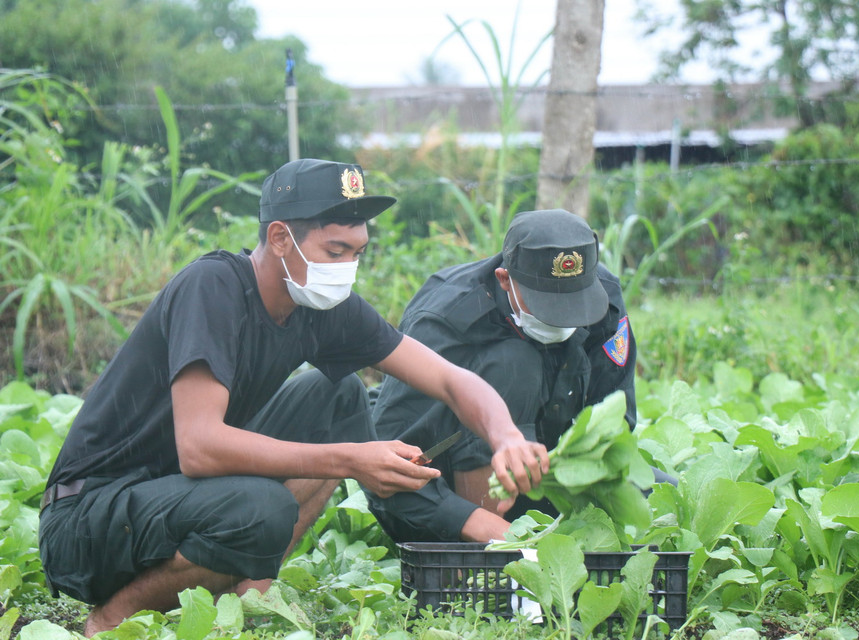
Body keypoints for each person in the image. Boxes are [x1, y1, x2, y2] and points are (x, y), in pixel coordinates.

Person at [38, 159, 547, 637]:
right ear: (280, 238)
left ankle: (247, 594)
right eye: (334, 251)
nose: (347, 267)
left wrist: (505, 437)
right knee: (262, 508)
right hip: (89, 519)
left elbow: (450, 380)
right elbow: (198, 445)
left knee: (340, 394)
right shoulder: (212, 287)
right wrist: (351, 460)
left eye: (357, 252)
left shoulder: (322, 305)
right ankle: (111, 621)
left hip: (173, 498)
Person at [367, 208, 674, 544]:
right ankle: (473, 559)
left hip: (547, 481)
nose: (563, 321)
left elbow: (615, 420)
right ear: (504, 279)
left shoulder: (605, 299)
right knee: (515, 362)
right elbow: (387, 457)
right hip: (444, 498)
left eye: (575, 305)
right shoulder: (446, 318)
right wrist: (467, 521)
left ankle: (537, 533)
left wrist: (569, 474)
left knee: (667, 499)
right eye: (548, 307)